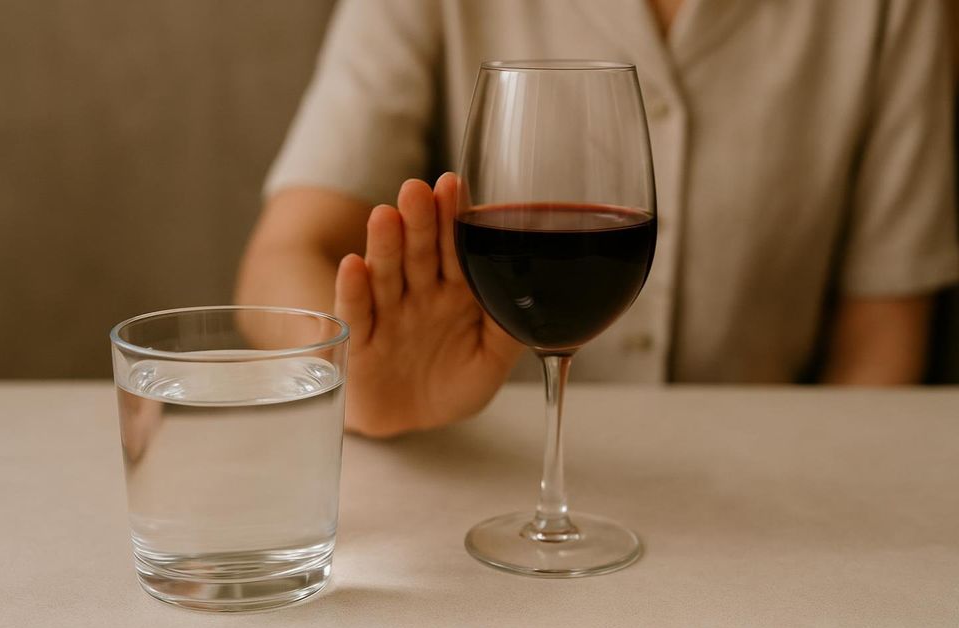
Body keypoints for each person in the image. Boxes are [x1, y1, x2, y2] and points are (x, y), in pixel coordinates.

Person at [237, 0, 959, 436]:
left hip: (754, 515)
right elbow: (284, 253)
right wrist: (351, 371)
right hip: (474, 489)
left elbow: (883, 331)